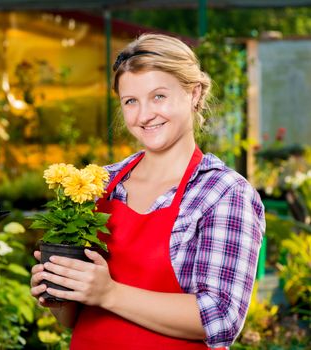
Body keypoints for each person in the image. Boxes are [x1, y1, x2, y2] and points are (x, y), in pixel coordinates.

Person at [30, 33, 265, 349]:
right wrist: (61, 291)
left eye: (158, 97)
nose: (144, 116)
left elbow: (221, 317)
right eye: (131, 101)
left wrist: (109, 292)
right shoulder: (100, 184)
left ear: (193, 93)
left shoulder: (222, 193)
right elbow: (75, 318)